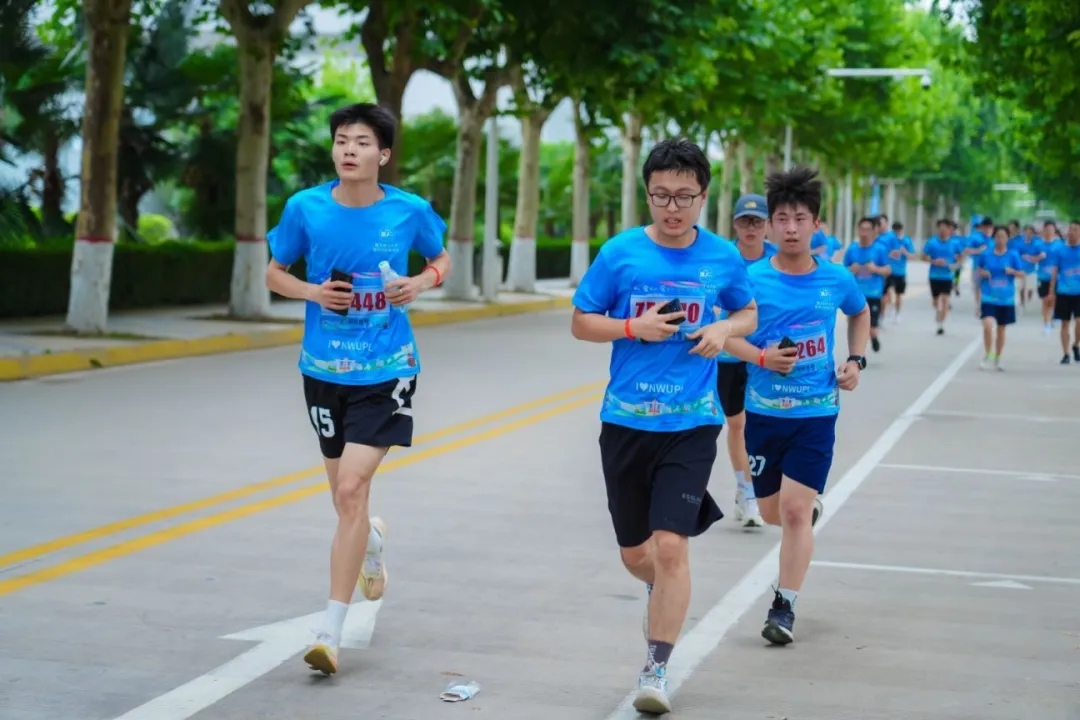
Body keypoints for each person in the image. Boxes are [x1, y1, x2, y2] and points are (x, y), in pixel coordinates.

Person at [570, 138, 758, 715]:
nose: (672, 207)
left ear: (704, 196)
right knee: (637, 555)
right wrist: (633, 328)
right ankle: (661, 590)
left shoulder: (722, 257)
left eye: (684, 196)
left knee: (672, 546)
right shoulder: (620, 253)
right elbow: (581, 322)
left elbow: (748, 311)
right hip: (626, 422)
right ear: (647, 194)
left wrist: (724, 329)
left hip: (691, 423)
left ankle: (655, 669)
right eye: (660, 195)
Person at [264, 103, 452, 676]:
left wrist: (420, 281)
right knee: (346, 501)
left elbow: (441, 258)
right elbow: (274, 272)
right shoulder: (305, 207)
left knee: (351, 486)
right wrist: (314, 292)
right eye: (342, 140)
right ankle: (370, 540)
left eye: (363, 141)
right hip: (323, 370)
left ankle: (330, 632)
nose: (350, 149)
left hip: (387, 368)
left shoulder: (408, 210)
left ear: (383, 154)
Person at [722, 166, 870, 646]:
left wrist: (856, 360)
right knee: (770, 512)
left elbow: (860, 312)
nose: (790, 228)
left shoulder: (835, 278)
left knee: (791, 512)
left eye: (800, 218)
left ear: (816, 224)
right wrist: (762, 357)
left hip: (816, 414)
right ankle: (804, 510)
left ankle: (783, 606)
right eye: (781, 219)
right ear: (769, 225)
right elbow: (726, 336)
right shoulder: (751, 280)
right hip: (764, 412)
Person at [717, 194, 776, 529]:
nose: (750, 228)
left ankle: (766, 489)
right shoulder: (722, 256)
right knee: (738, 424)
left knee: (764, 424)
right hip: (728, 356)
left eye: (757, 221)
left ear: (767, 224)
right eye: (744, 221)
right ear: (735, 224)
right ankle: (746, 492)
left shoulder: (778, 259)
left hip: (766, 357)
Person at [975, 225, 1023, 371]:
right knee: (988, 325)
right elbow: (979, 269)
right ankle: (988, 354)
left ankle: (998, 357)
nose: (1000, 239)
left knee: (1001, 329)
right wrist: (983, 273)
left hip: (1006, 298)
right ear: (994, 238)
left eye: (1003, 236)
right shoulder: (986, 254)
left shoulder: (1013, 255)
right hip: (989, 296)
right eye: (998, 236)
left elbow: (1021, 273)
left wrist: (1012, 271)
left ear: (1008, 238)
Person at [843, 218, 891, 352]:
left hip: (873, 293)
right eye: (862, 229)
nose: (864, 233)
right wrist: (851, 269)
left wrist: (875, 269)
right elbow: (843, 271)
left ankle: (873, 337)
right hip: (855, 294)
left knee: (872, 328)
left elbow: (888, 270)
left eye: (867, 230)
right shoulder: (852, 249)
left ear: (874, 231)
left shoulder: (880, 249)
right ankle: (858, 355)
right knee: (855, 325)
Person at [922, 218, 962, 335]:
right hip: (934, 276)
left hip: (947, 276)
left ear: (950, 230)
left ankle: (941, 324)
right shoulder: (932, 242)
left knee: (945, 300)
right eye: (941, 228)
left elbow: (961, 257)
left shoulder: (954, 243)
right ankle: (939, 315)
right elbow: (923, 256)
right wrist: (934, 261)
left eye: (945, 228)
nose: (943, 230)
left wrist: (955, 265)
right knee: (936, 302)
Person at [1049, 220, 1080, 364]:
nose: (1072, 232)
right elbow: (1055, 271)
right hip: (1064, 292)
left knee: (1079, 322)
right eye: (1070, 229)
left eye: (1076, 230)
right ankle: (1066, 353)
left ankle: (1076, 345)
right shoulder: (1060, 250)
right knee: (1065, 323)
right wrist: (1051, 292)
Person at [883, 221, 916, 323]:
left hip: (901, 272)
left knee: (898, 294)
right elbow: (882, 252)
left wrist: (904, 252)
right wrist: (891, 253)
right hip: (889, 271)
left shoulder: (906, 240)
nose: (897, 234)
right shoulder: (889, 239)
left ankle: (897, 313)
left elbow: (912, 256)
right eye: (895, 232)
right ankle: (889, 306)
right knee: (887, 291)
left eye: (899, 231)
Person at [1037, 221, 1063, 334]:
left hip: (1056, 277)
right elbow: (1031, 259)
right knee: (1045, 301)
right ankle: (1046, 324)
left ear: (1054, 230)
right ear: (1044, 230)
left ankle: (1053, 316)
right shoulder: (1038, 245)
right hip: (1042, 277)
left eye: (1051, 229)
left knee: (1053, 300)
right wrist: (1038, 257)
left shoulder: (1060, 244)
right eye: (1047, 229)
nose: (1049, 231)